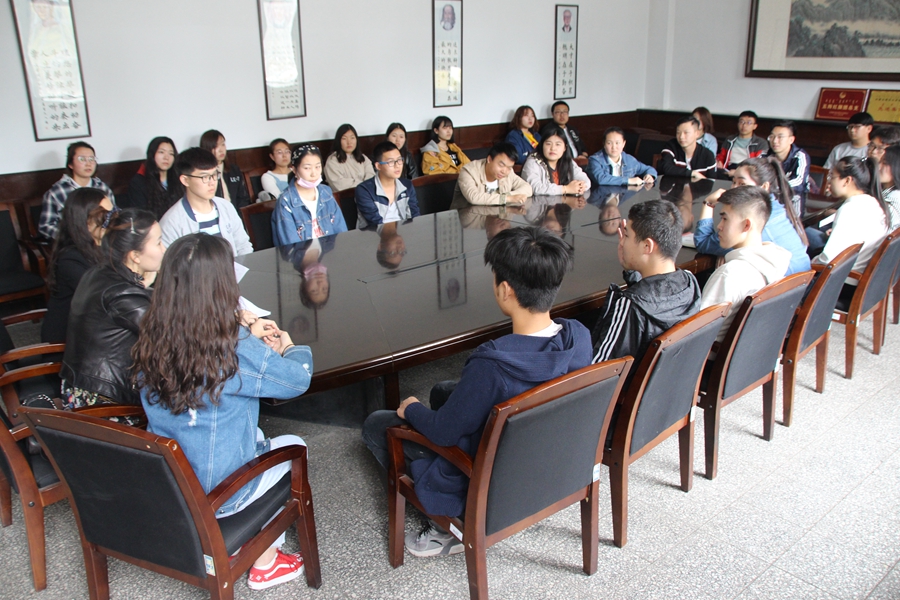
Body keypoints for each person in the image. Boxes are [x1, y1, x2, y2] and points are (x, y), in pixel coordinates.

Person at [361, 226, 591, 556]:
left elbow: (443, 432)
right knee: (442, 391)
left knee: (377, 423)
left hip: (489, 475)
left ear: (505, 290)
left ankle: (448, 522)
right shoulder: (578, 336)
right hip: (543, 457)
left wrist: (410, 407)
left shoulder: (493, 364)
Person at [134, 233, 312, 590]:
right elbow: (297, 380)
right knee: (295, 445)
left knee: (253, 434)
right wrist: (290, 346)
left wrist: (244, 329)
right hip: (221, 494)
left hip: (171, 485)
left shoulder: (151, 335)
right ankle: (265, 561)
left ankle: (238, 546)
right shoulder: (232, 347)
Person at [60, 209, 164, 409]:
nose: (164, 249)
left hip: (79, 387)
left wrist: (143, 283)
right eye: (158, 242)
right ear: (135, 255)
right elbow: (170, 334)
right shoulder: (122, 293)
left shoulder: (97, 272)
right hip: (104, 402)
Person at [591, 200, 701, 365]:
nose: (622, 242)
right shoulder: (690, 283)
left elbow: (598, 367)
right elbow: (653, 298)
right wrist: (632, 271)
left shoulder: (630, 305)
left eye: (627, 236)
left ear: (647, 246)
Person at [699, 186, 791, 341]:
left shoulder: (730, 273)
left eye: (725, 219)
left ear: (746, 225)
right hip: (748, 351)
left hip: (711, 353)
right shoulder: (776, 262)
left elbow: (697, 333)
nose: (719, 226)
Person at [695, 156, 810, 276]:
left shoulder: (755, 218)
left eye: (742, 183)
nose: (733, 189)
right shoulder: (775, 207)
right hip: (799, 283)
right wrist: (728, 251)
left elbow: (703, 242)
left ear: (764, 187)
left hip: (784, 285)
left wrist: (708, 204)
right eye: (733, 182)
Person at [41, 188, 115, 343]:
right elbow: (103, 295)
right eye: (105, 216)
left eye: (113, 214)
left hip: (95, 329)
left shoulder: (104, 246)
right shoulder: (70, 259)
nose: (112, 221)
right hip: (70, 342)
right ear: (85, 221)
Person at [160, 148, 253, 256]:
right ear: (185, 180)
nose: (212, 182)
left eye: (214, 175)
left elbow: (243, 246)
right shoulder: (171, 222)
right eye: (205, 177)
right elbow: (169, 263)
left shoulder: (226, 207)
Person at [811, 157, 890, 279]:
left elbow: (828, 259)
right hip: (856, 274)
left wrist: (809, 264)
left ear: (847, 180)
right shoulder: (873, 202)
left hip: (842, 280)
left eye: (832, 176)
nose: (829, 182)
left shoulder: (850, 208)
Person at [272, 144, 347, 246]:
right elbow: (291, 245)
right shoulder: (285, 201)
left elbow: (341, 231)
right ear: (294, 169)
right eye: (307, 168)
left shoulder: (326, 192)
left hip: (331, 252)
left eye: (318, 167)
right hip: (301, 254)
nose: (314, 173)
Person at [39, 141, 115, 240]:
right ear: (70, 164)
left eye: (91, 159)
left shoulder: (102, 188)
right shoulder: (57, 192)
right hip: (71, 242)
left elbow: (113, 216)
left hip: (102, 240)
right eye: (82, 159)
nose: (88, 164)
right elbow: (46, 226)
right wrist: (70, 237)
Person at [355, 142, 420, 228]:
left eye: (399, 160)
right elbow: (375, 222)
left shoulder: (407, 185)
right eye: (391, 162)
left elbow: (415, 216)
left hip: (404, 232)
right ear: (378, 166)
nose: (397, 165)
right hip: (375, 234)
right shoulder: (364, 190)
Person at [452, 142, 533, 207]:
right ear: (489, 159)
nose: (504, 171)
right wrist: (506, 199)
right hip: (468, 219)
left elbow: (528, 189)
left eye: (509, 167)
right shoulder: (468, 171)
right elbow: (473, 197)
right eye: (501, 165)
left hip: (497, 217)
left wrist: (509, 196)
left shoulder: (508, 172)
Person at [521, 124, 590, 195]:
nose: (553, 148)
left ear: (565, 148)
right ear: (542, 146)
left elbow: (585, 179)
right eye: (548, 144)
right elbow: (535, 188)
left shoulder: (567, 160)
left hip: (563, 201)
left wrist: (581, 186)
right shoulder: (533, 162)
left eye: (558, 144)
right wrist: (566, 189)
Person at [126, 136, 184, 219]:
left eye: (171, 153)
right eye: (161, 152)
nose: (166, 157)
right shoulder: (139, 182)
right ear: (152, 155)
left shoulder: (178, 178)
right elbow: (140, 215)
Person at [763, 121, 810, 216]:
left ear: (791, 139)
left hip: (792, 201)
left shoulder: (800, 156)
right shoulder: (764, 155)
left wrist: (774, 188)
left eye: (780, 137)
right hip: (767, 199)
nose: (775, 141)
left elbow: (799, 182)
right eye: (772, 136)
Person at [199, 129, 252, 210]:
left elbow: (243, 198)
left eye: (223, 144)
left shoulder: (234, 170)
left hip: (235, 213)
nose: (221, 150)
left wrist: (239, 215)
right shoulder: (203, 173)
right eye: (215, 146)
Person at [587, 127, 657, 187]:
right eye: (609, 143)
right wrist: (629, 181)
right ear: (604, 144)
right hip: (601, 197)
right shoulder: (595, 160)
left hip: (622, 197)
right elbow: (601, 179)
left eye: (617, 143)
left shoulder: (629, 160)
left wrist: (650, 175)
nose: (614, 147)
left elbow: (648, 169)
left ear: (623, 144)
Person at [324, 124, 375, 192]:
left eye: (352, 138)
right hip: (345, 197)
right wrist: (364, 186)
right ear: (338, 141)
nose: (349, 142)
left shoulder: (363, 158)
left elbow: (371, 177)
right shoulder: (332, 161)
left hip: (367, 194)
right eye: (344, 138)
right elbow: (340, 185)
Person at [716, 111, 768, 175]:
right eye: (741, 122)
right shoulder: (729, 140)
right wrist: (719, 162)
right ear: (738, 124)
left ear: (755, 126)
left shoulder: (761, 143)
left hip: (748, 172)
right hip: (728, 170)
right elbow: (721, 156)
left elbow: (759, 165)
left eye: (749, 123)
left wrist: (737, 172)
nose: (744, 125)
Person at [879, 145, 900, 227]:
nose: (878, 167)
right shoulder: (884, 191)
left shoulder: (894, 199)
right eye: (879, 162)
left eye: (884, 163)